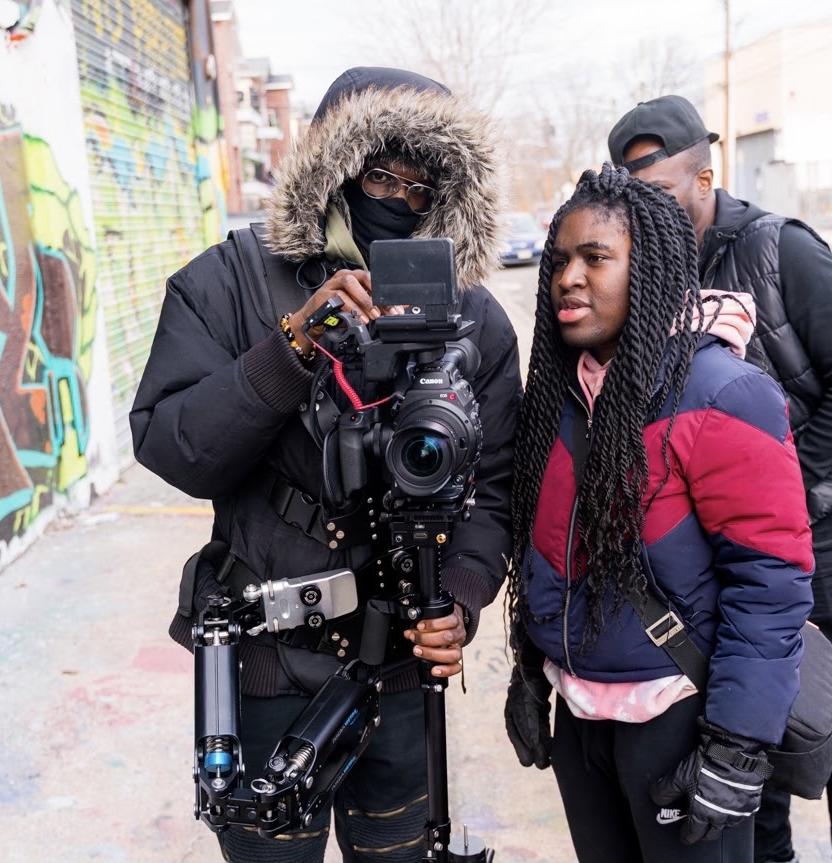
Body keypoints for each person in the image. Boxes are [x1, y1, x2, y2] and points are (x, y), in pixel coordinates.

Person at [130, 67, 521, 863]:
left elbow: (497, 491)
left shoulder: (473, 315)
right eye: (381, 174)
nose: (399, 199)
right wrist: (292, 348)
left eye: (421, 186)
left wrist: (465, 598)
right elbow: (174, 446)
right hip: (267, 654)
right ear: (335, 166)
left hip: (405, 662)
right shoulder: (230, 278)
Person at [607, 94, 832, 863]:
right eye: (634, 202)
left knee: (830, 715)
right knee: (746, 714)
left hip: (811, 522)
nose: (649, 216)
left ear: (705, 176)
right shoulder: (646, 272)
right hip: (711, 543)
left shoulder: (780, 248)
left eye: (663, 195)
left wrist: (781, 487)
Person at [503, 163, 814, 863]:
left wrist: (735, 746)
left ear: (652, 269)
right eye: (558, 260)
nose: (567, 278)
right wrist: (529, 673)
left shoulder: (724, 394)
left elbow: (772, 582)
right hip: (582, 717)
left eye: (595, 258)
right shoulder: (560, 393)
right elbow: (545, 551)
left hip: (679, 721)